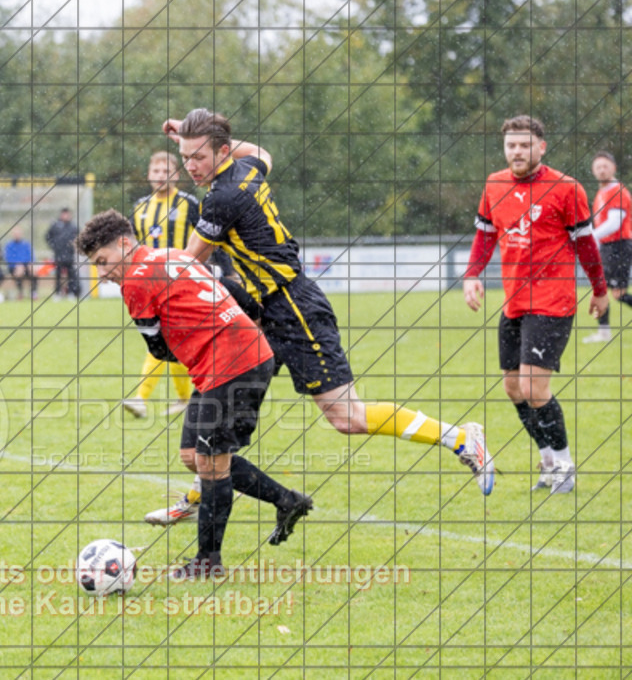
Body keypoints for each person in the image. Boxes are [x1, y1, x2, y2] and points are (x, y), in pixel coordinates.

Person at [146, 108, 492, 526]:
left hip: (292, 308)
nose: (189, 167)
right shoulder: (245, 168)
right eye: (183, 157)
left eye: (197, 157)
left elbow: (185, 265)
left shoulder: (224, 197)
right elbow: (260, 149)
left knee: (347, 417)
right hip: (257, 309)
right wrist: (191, 137)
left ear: (221, 152)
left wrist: (138, 272)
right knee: (218, 394)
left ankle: (460, 438)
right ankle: (202, 491)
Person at [76, 209, 313, 579]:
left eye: (103, 261)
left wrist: (191, 335)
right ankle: (287, 500)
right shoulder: (172, 254)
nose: (102, 272)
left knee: (212, 463)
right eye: (96, 265)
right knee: (193, 456)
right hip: (231, 360)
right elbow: (232, 289)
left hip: (232, 364)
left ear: (124, 244)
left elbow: (157, 350)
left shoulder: (135, 282)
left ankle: (207, 562)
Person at [464, 115, 609, 495]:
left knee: (533, 385)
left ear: (540, 147)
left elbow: (586, 245)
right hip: (514, 302)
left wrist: (599, 288)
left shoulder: (566, 188)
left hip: (553, 300)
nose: (517, 151)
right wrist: (472, 274)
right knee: (513, 387)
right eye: (511, 145)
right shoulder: (494, 184)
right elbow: (484, 235)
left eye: (524, 145)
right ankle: (547, 462)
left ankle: (565, 466)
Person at [122, 151, 199, 420]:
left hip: (181, 281)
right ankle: (185, 399)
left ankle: (141, 398)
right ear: (148, 175)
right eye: (155, 172)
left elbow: (210, 237)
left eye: (166, 171)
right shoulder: (140, 207)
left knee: (162, 337)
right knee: (171, 340)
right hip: (150, 284)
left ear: (176, 175)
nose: (160, 176)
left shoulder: (189, 204)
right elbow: (132, 245)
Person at [582, 150, 632, 343]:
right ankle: (603, 332)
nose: (601, 170)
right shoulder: (602, 192)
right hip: (607, 246)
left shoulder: (616, 191)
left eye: (605, 166)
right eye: (598, 167)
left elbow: (615, 222)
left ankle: (604, 332)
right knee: (601, 288)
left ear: (614, 168)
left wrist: (591, 236)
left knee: (618, 293)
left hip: (618, 246)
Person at [46, 207, 80, 300]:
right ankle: (57, 293)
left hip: (70, 256)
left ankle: (71, 293)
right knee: (58, 275)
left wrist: (74, 247)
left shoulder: (74, 227)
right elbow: (47, 237)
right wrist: (54, 246)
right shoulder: (55, 226)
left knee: (71, 275)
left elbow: (79, 238)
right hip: (58, 255)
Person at [4, 226, 37, 300]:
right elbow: (8, 258)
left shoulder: (26, 244)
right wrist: (17, 264)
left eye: (18, 233)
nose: (17, 235)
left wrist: (29, 264)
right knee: (19, 271)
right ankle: (20, 292)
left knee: (33, 270)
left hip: (26, 265)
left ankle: (33, 292)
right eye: (15, 234)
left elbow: (31, 256)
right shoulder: (9, 245)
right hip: (14, 267)